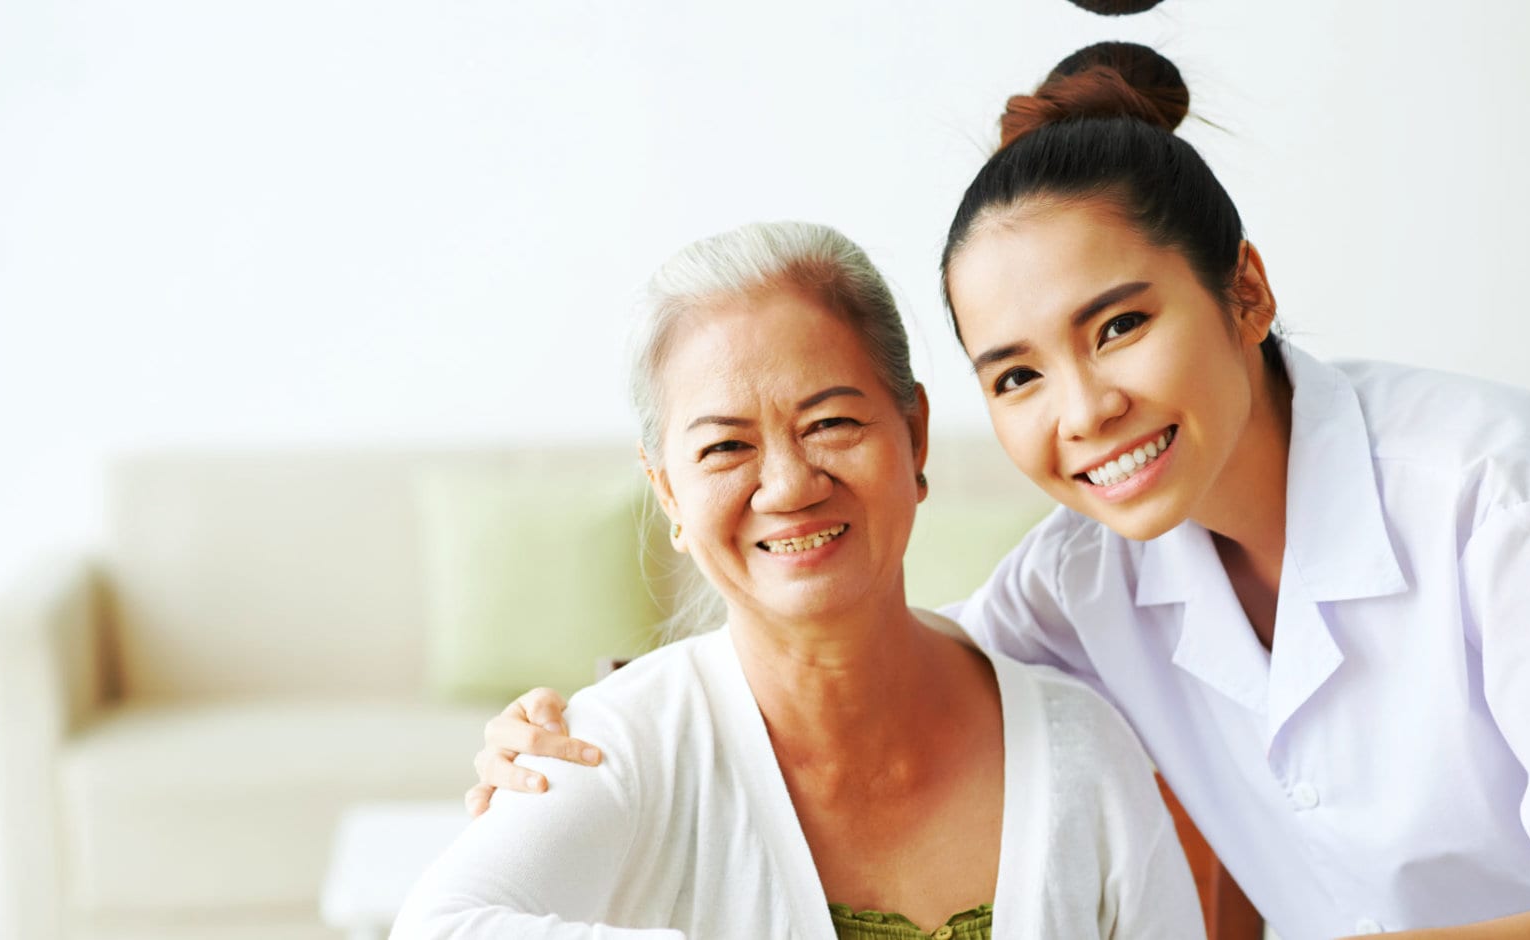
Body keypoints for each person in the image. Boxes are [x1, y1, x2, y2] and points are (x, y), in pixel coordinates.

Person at [470, 44, 1530, 939]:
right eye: (1016, 374)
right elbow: (871, 659)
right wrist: (585, 722)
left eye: (1119, 326)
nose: (1083, 410)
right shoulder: (1086, 579)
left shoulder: (1501, 503)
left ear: (1244, 290)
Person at [392, 221, 1206, 939]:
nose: (787, 486)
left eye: (831, 424)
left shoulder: (1080, 745)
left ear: (915, 435)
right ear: (668, 492)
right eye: (724, 447)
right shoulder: (617, 745)